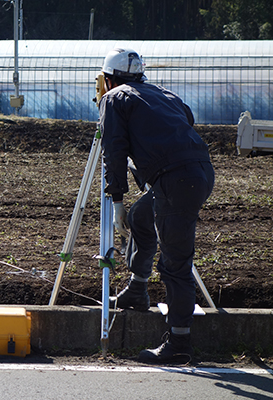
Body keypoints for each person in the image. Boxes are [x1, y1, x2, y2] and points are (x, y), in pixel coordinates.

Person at [98, 48, 215, 363]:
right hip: (199, 173)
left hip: (177, 181)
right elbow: (186, 120)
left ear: (107, 79)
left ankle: (178, 344)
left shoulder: (114, 98)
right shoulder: (164, 94)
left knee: (175, 264)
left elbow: (114, 150)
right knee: (141, 218)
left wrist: (116, 200)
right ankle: (137, 290)